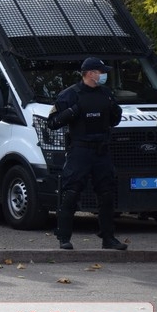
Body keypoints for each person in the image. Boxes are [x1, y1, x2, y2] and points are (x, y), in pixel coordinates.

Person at [47, 57, 126, 251]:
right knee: (71, 193)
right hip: (80, 150)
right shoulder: (70, 95)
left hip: (101, 150)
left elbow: (114, 120)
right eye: (101, 71)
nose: (104, 75)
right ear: (90, 73)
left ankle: (108, 238)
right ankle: (64, 237)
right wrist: (73, 111)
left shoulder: (106, 93)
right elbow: (53, 122)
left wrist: (115, 109)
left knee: (107, 194)